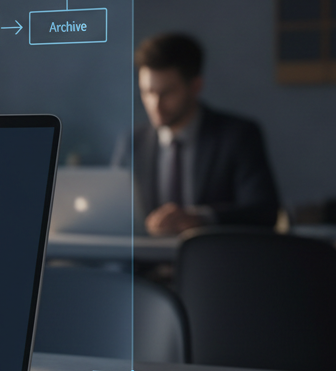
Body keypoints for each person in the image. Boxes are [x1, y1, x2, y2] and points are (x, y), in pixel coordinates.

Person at [115, 33, 280, 236]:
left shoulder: (238, 136)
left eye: (166, 93)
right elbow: (113, 210)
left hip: (213, 262)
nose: (155, 104)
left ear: (195, 86)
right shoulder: (133, 142)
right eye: (147, 92)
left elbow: (264, 211)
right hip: (144, 264)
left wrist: (200, 219)